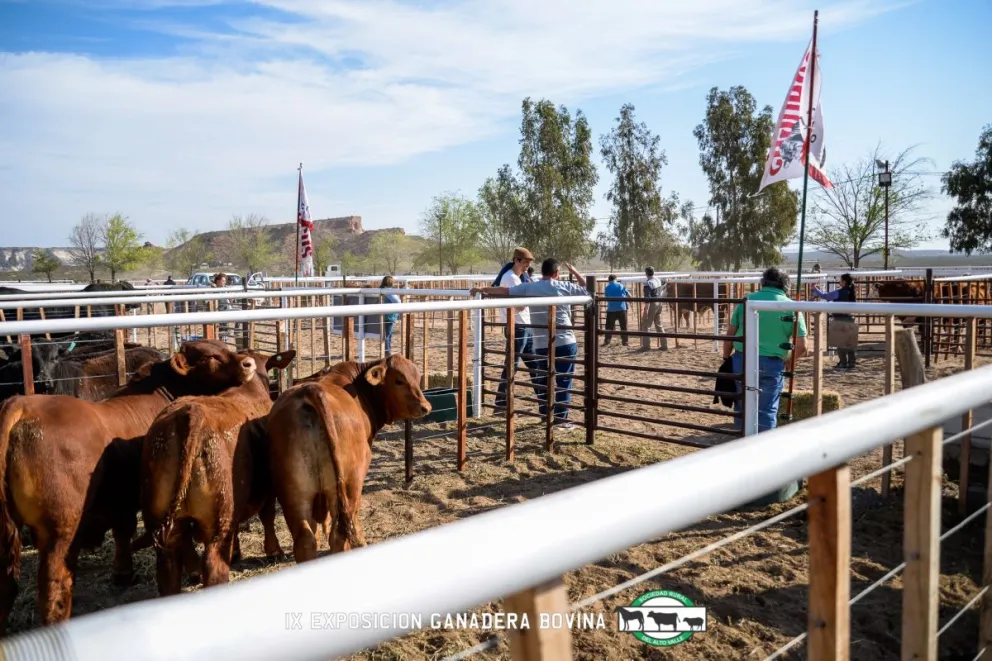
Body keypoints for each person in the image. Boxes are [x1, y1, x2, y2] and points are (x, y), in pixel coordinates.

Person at [472, 258, 589, 430]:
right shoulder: (564, 286)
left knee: (543, 378)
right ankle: (560, 419)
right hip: (564, 340)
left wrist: (482, 289)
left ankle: (545, 414)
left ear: (542, 272)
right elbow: (587, 288)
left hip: (541, 342)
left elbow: (505, 291)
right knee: (564, 380)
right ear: (557, 273)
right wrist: (574, 272)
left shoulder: (530, 286)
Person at [723, 267, 808, 434]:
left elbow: (730, 335)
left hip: (742, 360)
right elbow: (803, 346)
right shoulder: (792, 307)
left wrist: (726, 358)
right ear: (785, 285)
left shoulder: (746, 301)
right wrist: (788, 360)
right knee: (767, 408)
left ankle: (741, 444)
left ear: (763, 282)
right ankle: (762, 448)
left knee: (742, 404)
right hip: (772, 363)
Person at [492, 247, 537, 409]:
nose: (527, 266)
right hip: (518, 326)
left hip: (523, 326)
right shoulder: (511, 279)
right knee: (514, 364)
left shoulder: (518, 278)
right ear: (517, 260)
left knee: (533, 364)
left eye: (528, 263)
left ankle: (543, 399)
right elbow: (520, 305)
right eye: (525, 262)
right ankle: (501, 401)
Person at [813, 273, 858, 369]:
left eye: (840, 280)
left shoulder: (840, 292)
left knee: (841, 343)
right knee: (850, 343)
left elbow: (824, 296)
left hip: (840, 319)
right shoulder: (851, 292)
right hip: (850, 319)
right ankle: (851, 363)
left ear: (844, 282)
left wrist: (815, 289)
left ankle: (843, 363)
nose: (839, 282)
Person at [641, 266, 668, 351]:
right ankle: (664, 345)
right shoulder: (658, 280)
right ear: (653, 272)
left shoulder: (648, 283)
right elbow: (666, 280)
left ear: (646, 273)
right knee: (658, 324)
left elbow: (647, 298)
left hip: (652, 304)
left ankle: (646, 346)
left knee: (646, 325)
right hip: (659, 303)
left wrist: (645, 309)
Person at [603, 274, 630, 346]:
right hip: (622, 308)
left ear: (609, 280)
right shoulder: (621, 286)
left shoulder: (607, 287)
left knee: (609, 326)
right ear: (616, 279)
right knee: (623, 326)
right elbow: (630, 296)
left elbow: (606, 297)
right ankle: (625, 341)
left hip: (611, 309)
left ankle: (607, 341)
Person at [380, 275, 402, 355]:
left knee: (387, 334)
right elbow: (397, 301)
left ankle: (387, 350)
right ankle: (387, 351)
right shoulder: (389, 291)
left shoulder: (381, 290)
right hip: (389, 315)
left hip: (385, 314)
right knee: (388, 334)